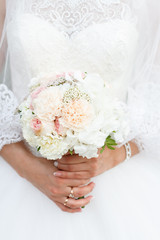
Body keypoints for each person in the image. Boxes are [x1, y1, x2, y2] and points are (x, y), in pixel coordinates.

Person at [0, 0, 160, 239]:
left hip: (116, 179)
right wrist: (28, 167)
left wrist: (114, 156)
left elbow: (153, 93)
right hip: (17, 174)